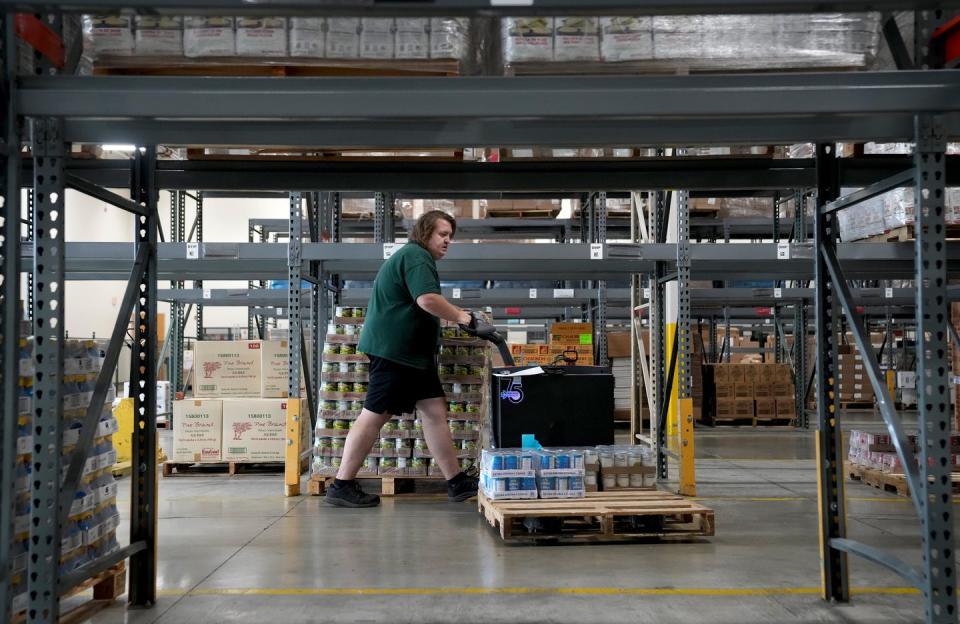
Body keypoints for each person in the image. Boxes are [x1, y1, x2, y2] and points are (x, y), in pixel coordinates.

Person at [325, 210, 479, 508]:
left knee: (434, 410)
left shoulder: (415, 258)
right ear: (425, 233)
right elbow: (427, 299)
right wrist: (462, 316)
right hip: (396, 352)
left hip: (412, 355)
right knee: (374, 413)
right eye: (442, 234)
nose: (447, 241)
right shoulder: (416, 256)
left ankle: (456, 481)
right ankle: (341, 484)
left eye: (450, 237)